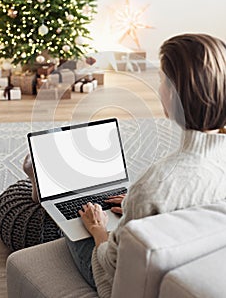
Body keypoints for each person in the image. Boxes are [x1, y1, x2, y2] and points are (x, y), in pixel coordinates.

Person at [65, 33, 226, 298]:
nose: (158, 89)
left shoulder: (155, 185)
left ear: (175, 96)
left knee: (75, 221)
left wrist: (98, 230)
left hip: (121, 282)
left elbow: (111, 267)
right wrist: (135, 205)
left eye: (162, 81)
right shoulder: (155, 190)